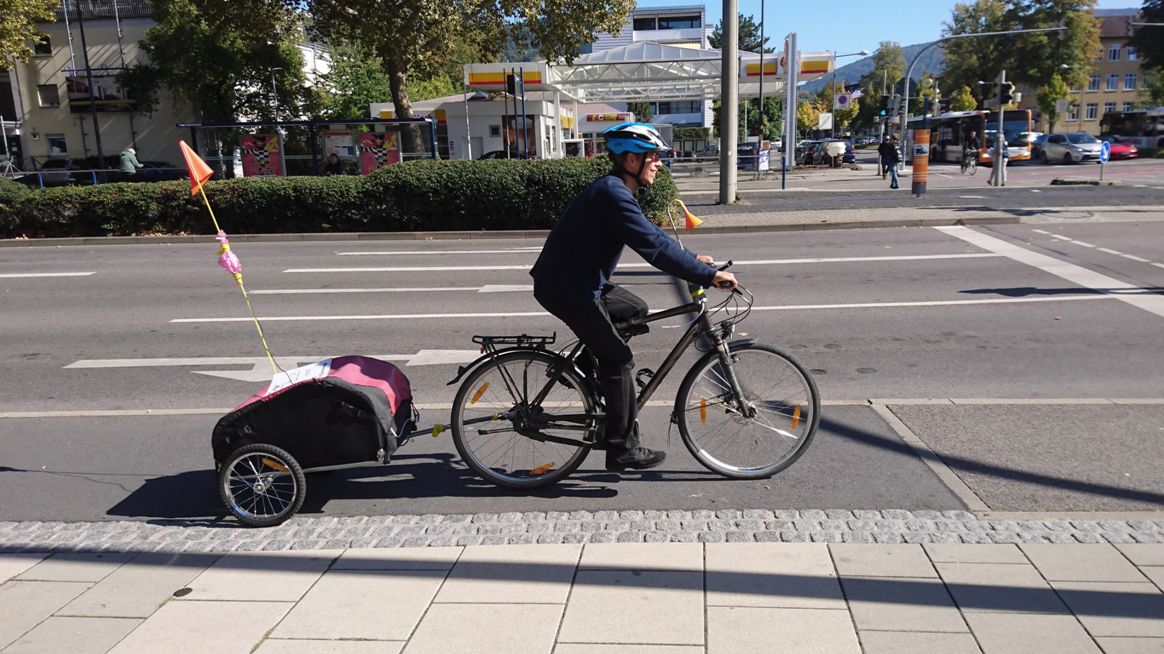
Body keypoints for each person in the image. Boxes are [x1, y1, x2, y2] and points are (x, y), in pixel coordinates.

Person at [530, 122, 737, 472]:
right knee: (620, 359)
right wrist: (707, 275)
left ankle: (589, 368)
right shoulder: (613, 194)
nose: (658, 164)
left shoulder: (617, 191)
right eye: (652, 158)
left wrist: (692, 259)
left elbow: (651, 234)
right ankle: (622, 447)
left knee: (635, 309)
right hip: (568, 288)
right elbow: (653, 248)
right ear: (630, 160)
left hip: (579, 281)